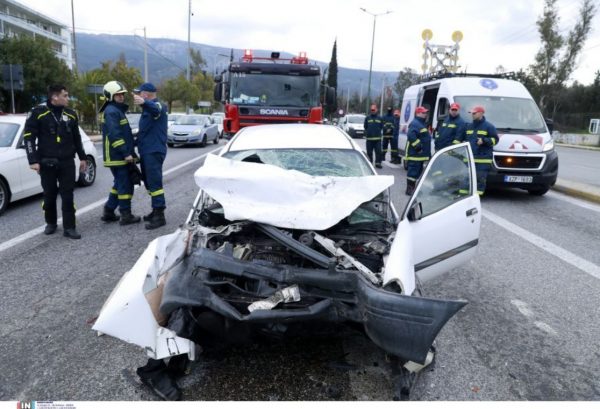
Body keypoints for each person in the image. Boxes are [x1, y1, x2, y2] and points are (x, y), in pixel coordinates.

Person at [24, 85, 87, 239]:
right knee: (49, 195)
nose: (68, 98)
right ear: (54, 97)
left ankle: (69, 227)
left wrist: (83, 157)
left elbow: (76, 138)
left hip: (67, 161)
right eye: (65, 95)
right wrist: (33, 160)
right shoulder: (38, 113)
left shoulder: (71, 114)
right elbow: (29, 137)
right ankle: (51, 222)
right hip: (47, 162)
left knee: (68, 195)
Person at [99, 80, 141, 225]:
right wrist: (126, 153)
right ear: (110, 96)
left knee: (119, 184)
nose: (121, 97)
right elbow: (115, 136)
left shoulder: (116, 110)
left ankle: (109, 211)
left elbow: (124, 135)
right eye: (118, 95)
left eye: (122, 95)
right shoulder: (112, 111)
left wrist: (132, 151)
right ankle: (126, 215)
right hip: (117, 156)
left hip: (120, 155)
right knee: (125, 185)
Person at [132, 82, 168, 230]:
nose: (137, 96)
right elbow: (145, 131)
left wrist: (145, 102)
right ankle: (155, 210)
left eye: (139, 93)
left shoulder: (158, 106)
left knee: (155, 183)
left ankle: (160, 215)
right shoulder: (146, 109)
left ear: (146, 94)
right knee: (148, 182)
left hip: (154, 151)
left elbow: (156, 109)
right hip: (146, 150)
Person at [461, 105, 499, 195]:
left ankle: (476, 197)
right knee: (466, 177)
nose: (472, 115)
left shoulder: (489, 126)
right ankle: (463, 197)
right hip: (470, 158)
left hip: (483, 159)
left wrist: (484, 141)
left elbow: (495, 140)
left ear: (481, 113)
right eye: (471, 113)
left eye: (474, 113)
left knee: (480, 179)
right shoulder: (469, 126)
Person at [405, 106, 432, 195]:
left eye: (425, 113)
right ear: (418, 113)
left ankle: (413, 189)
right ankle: (409, 189)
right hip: (415, 155)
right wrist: (418, 147)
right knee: (413, 172)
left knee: (417, 172)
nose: (425, 114)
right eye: (423, 113)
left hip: (420, 155)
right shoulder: (415, 123)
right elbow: (411, 136)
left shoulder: (421, 123)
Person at [363, 104, 383, 168]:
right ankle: (370, 163)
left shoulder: (380, 118)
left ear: (376, 110)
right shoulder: (367, 118)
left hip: (377, 139)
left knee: (378, 152)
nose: (373, 111)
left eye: (374, 110)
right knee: (369, 152)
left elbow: (381, 126)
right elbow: (365, 126)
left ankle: (378, 163)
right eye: (372, 110)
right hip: (369, 139)